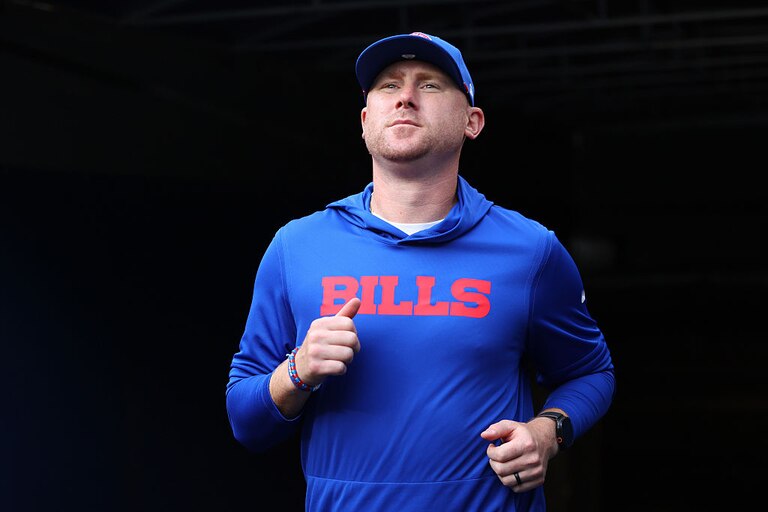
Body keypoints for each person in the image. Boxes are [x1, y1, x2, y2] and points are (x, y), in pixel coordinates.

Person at [226, 31, 615, 511]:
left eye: (429, 85)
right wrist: (299, 370)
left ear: (472, 121)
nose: (405, 97)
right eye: (388, 86)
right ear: (366, 121)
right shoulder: (297, 246)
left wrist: (547, 430)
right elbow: (245, 420)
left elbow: (592, 372)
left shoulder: (531, 251)